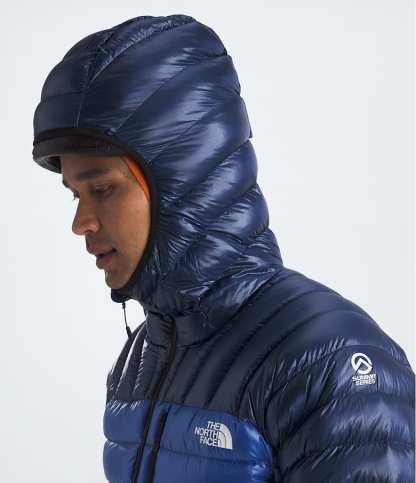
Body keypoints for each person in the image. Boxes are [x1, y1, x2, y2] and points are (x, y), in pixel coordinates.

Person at [32, 13, 415, 483]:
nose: (81, 223)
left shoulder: (328, 363)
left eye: (102, 189)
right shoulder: (138, 363)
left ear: (181, 181)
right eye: (76, 194)